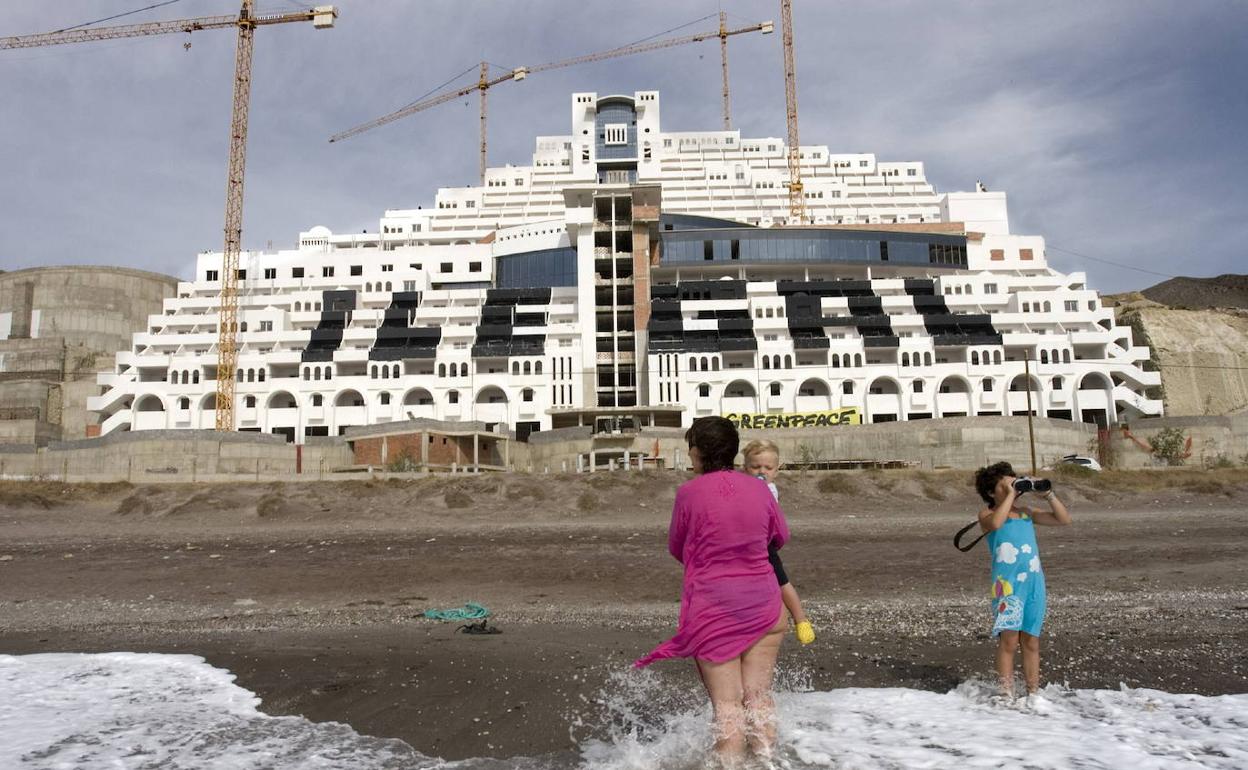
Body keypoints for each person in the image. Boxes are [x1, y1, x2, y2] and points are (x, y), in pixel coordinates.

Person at [635, 417, 790, 766]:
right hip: (766, 604)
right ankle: (767, 762)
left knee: (728, 707)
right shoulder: (760, 489)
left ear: (698, 451)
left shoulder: (688, 493)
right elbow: (779, 536)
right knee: (759, 698)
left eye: (691, 447)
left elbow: (677, 547)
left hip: (715, 611)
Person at [974, 461, 1072, 697]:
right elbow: (997, 523)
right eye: (1004, 485)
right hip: (1007, 586)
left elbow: (1063, 519)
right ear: (990, 492)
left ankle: (1033, 694)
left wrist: (1048, 494)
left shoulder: (1026, 513)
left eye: (1013, 483)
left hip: (1033, 584)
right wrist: (1009, 494)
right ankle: (1006, 693)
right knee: (1009, 640)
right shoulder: (986, 514)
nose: (1012, 489)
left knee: (1031, 640)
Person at [741, 439, 816, 646]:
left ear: (776, 470)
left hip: (765, 545)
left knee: (782, 581)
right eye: (755, 467)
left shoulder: (770, 490)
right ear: (745, 468)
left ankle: (801, 619)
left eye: (768, 467)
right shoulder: (744, 486)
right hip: (745, 546)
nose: (761, 472)